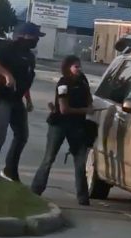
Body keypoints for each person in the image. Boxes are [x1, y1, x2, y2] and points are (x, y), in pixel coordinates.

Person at [0, 22, 44, 181]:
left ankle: (10, 170)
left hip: (17, 100)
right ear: (26, 36)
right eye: (35, 36)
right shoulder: (9, 48)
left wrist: (28, 99)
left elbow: (26, 78)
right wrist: (6, 75)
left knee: (22, 135)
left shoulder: (29, 56)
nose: (37, 40)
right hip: (1, 97)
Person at [31, 56, 93, 206]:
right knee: (49, 158)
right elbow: (64, 109)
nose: (79, 69)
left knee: (80, 161)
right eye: (75, 67)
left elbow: (89, 100)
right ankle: (35, 190)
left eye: (79, 66)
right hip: (59, 124)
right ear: (68, 68)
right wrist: (84, 110)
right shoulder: (63, 83)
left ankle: (83, 197)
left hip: (77, 126)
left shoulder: (83, 81)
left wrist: (87, 108)